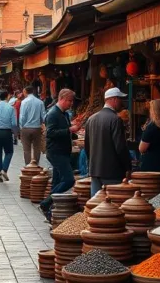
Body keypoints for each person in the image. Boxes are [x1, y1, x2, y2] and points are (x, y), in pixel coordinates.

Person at [86, 88, 136, 197]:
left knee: (96, 205)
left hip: (95, 170)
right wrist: (128, 167)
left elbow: (87, 147)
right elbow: (120, 147)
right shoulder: (115, 119)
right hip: (112, 171)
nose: (121, 102)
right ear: (113, 99)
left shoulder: (91, 119)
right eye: (120, 99)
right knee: (113, 205)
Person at [39, 89, 80, 219]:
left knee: (56, 182)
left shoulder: (65, 114)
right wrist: (69, 130)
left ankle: (51, 212)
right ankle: (46, 203)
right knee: (69, 180)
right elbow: (50, 133)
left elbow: (65, 132)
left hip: (63, 152)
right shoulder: (53, 114)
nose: (71, 103)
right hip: (56, 152)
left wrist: (74, 133)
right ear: (62, 99)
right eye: (69, 101)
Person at [0, 90, 19, 182]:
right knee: (9, 152)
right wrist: (15, 134)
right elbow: (14, 123)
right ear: (7, 97)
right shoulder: (10, 108)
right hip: (6, 132)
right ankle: (4, 169)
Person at [19, 86, 45, 165]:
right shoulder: (40, 102)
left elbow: (22, 117)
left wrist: (22, 127)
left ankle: (28, 167)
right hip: (36, 128)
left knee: (26, 149)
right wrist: (40, 123)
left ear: (25, 92)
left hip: (26, 128)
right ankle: (35, 165)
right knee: (37, 148)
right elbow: (43, 116)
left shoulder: (24, 102)